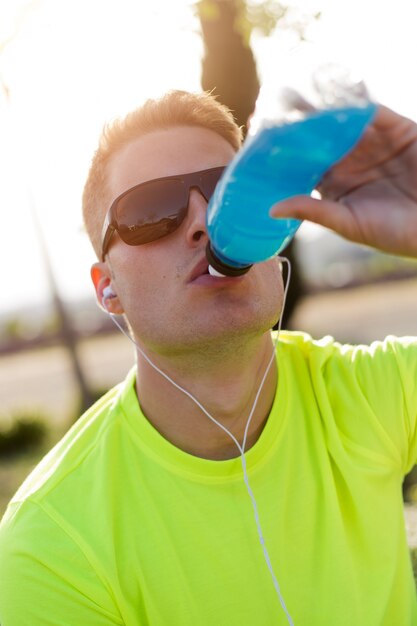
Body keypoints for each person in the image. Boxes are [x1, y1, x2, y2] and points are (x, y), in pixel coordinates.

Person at [0, 89, 416, 626]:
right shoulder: (52, 546)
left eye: (228, 190)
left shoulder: (370, 393)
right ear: (108, 290)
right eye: (152, 210)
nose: (204, 223)